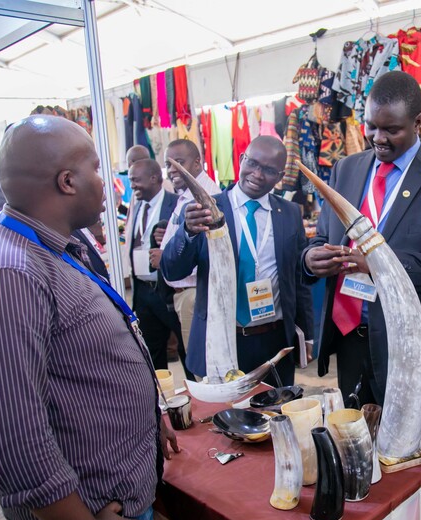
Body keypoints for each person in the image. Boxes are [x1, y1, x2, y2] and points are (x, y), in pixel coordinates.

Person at [0, 115, 178, 520]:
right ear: (67, 181)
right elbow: (13, 435)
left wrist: (147, 418)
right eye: (96, 169)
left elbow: (85, 365)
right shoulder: (6, 276)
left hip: (113, 501)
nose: (107, 183)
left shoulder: (57, 246)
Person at [303, 71, 421, 446]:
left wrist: (382, 264)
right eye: (371, 126)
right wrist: (311, 259)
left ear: (418, 123)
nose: (378, 138)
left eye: (392, 130)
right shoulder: (346, 169)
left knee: (411, 454)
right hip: (350, 340)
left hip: (410, 348)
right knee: (355, 448)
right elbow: (323, 236)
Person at [161, 135, 313, 386]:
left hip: (274, 342)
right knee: (224, 411)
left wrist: (306, 335)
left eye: (268, 170)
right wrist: (187, 232)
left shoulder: (289, 214)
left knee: (275, 408)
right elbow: (172, 270)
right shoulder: (208, 208)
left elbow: (298, 281)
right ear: (241, 160)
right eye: (252, 163)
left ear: (280, 175)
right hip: (221, 341)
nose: (257, 174)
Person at [156, 139, 221, 363]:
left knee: (203, 366)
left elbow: (210, 253)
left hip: (196, 294)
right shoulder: (186, 194)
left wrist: (166, 255)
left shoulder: (205, 197)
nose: (172, 169)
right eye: (168, 164)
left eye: (179, 162)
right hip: (186, 294)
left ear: (197, 162)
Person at [126, 158, 190, 378]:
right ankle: (161, 393)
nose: (132, 185)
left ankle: (194, 392)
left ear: (153, 178)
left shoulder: (177, 203)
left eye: (135, 180)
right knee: (153, 352)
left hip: (169, 290)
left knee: (185, 349)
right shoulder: (137, 206)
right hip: (143, 292)